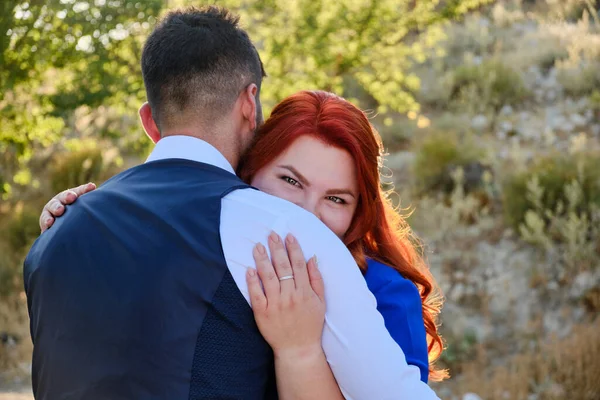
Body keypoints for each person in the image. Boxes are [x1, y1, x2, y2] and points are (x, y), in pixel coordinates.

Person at [25, 5, 441, 400]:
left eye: (336, 198)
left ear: (151, 121)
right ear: (250, 107)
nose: (306, 212)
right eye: (290, 180)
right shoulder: (282, 234)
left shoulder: (55, 237)